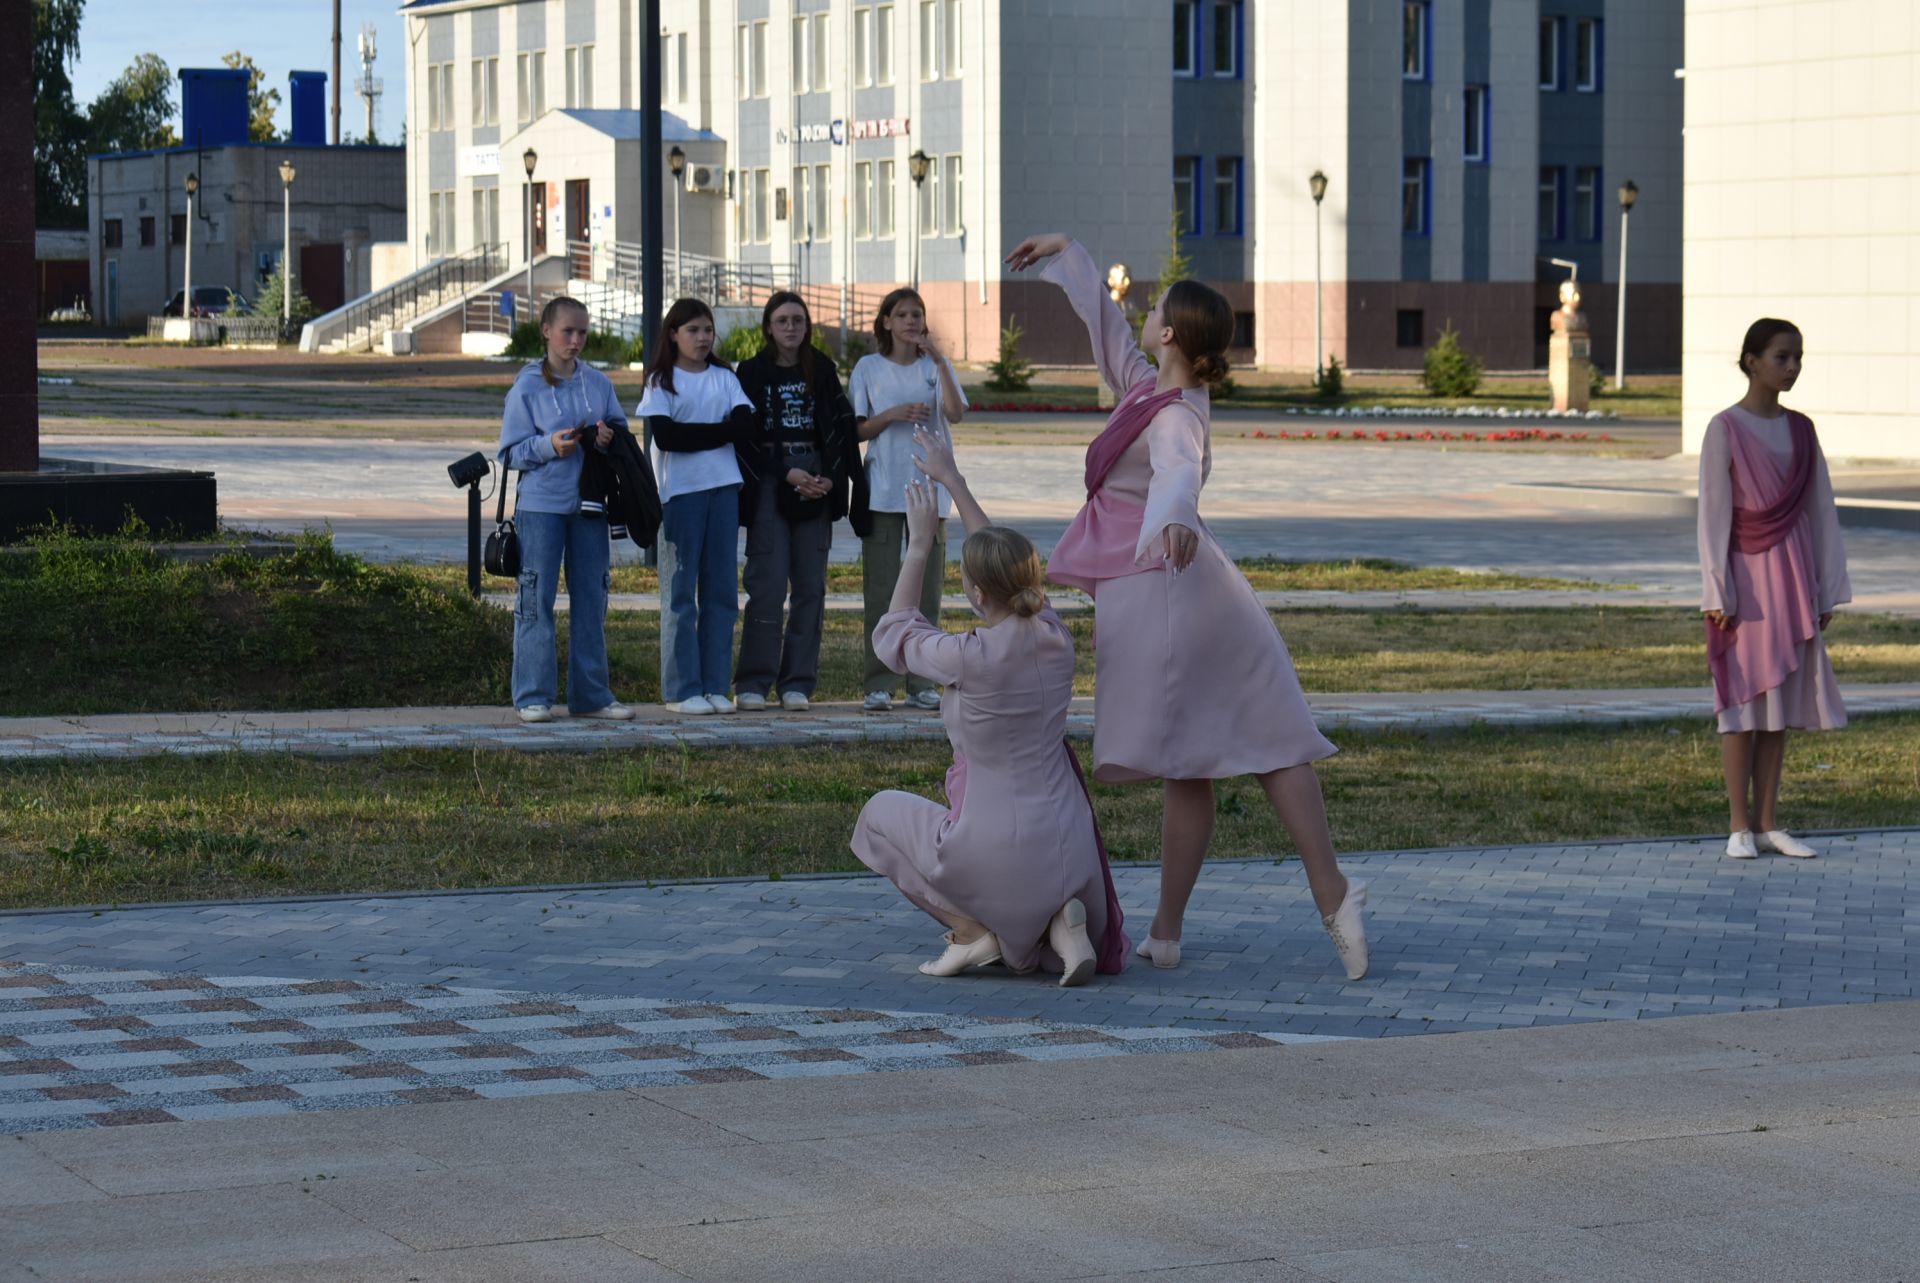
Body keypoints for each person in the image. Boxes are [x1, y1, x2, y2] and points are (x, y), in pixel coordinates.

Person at [1005, 232, 1370, 981]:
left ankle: (1328, 889)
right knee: (1228, 752)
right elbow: (1108, 330)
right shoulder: (1150, 388)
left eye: (1155, 308)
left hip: (1172, 587)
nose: (1141, 311)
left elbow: (1178, 465)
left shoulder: (1176, 412)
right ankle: (1185, 927)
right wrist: (1070, 252)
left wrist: (1173, 513)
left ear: (1170, 333)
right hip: (1197, 589)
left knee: (1244, 748)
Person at [851, 437, 1127, 986]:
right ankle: (1061, 923)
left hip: (995, 844)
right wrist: (954, 481)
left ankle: (973, 934)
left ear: (976, 594)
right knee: (1037, 888)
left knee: (876, 818)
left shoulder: (967, 656)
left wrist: (919, 544)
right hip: (1068, 842)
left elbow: (893, 636)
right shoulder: (1053, 634)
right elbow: (1004, 561)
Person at [1699, 318, 1851, 860]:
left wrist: (1825, 587)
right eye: (1782, 357)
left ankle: (1767, 824)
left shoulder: (1802, 430)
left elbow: (1821, 510)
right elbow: (1714, 513)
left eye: (1798, 358)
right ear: (1751, 361)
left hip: (1791, 575)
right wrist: (1718, 590)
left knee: (1779, 704)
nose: (1792, 367)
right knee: (1743, 701)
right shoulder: (1725, 428)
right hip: (1746, 579)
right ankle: (1738, 827)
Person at [495, 296, 636, 725]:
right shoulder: (527, 387)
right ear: (546, 331)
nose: (576, 341)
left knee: (592, 597)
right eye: (567, 332)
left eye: (583, 333)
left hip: (591, 506)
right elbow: (509, 452)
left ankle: (591, 693)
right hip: (542, 507)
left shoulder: (598, 383)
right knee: (536, 598)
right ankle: (533, 695)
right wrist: (548, 445)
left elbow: (623, 431)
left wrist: (609, 437)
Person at [732, 292, 866, 711]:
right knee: (767, 585)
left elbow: (840, 429)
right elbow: (745, 439)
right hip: (773, 479)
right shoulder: (752, 372)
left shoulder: (821, 369)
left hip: (817, 476)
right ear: (768, 327)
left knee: (810, 587)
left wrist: (828, 476)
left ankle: (797, 682)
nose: (791, 327)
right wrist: (784, 473)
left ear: (807, 327)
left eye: (798, 320)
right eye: (782, 320)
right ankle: (753, 681)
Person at [849, 288, 968, 712]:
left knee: (927, 593)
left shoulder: (935, 367)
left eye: (917, 314)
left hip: (930, 490)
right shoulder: (868, 368)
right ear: (886, 322)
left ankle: (922, 682)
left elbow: (955, 413)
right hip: (884, 490)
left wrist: (940, 361)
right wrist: (894, 414)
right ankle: (878, 682)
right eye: (902, 315)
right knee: (881, 591)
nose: (911, 321)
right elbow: (859, 430)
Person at [636, 298, 755, 716]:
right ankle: (682, 689)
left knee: (722, 592)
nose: (703, 338)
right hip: (681, 495)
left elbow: (744, 426)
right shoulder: (660, 381)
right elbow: (667, 437)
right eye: (694, 330)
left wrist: (706, 434)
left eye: (708, 330)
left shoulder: (725, 377)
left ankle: (716, 685)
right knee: (681, 594)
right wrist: (719, 433)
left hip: (724, 490)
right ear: (673, 334)